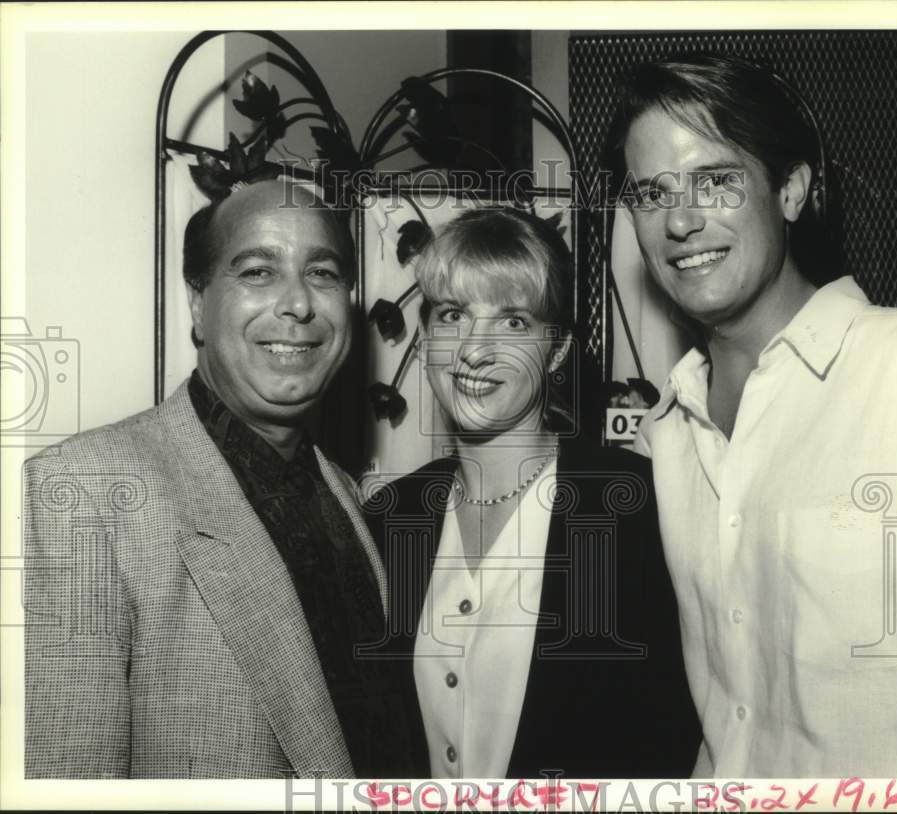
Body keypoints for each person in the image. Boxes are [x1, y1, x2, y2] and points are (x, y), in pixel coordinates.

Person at [609, 54, 897, 777]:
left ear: (790, 189)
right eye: (652, 194)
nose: (679, 221)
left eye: (714, 180)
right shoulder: (670, 433)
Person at [23, 177, 419, 778]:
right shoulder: (83, 495)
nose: (299, 305)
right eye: (258, 271)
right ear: (198, 303)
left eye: (323, 273)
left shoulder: (347, 494)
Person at [362, 206, 701, 779]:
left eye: (514, 322)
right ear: (425, 340)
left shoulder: (636, 507)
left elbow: (673, 739)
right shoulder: (388, 518)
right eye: (453, 314)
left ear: (557, 350)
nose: (475, 349)